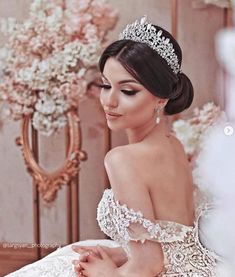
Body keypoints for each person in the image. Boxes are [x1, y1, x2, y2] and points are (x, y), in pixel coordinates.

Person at [6, 15, 222, 277]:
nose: (109, 101)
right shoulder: (172, 144)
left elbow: (150, 265)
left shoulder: (123, 159)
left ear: (162, 99)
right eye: (106, 85)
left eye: (128, 91)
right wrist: (119, 253)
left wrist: (108, 273)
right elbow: (174, 236)